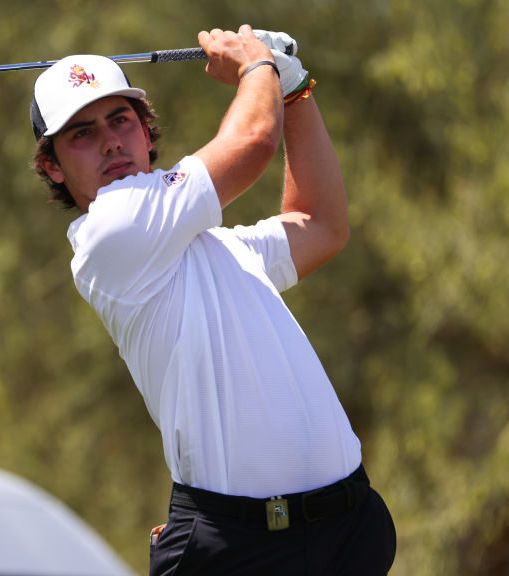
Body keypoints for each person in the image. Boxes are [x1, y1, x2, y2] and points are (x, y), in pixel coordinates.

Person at [29, 25, 396, 575]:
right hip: (239, 550)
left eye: (120, 120)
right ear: (52, 166)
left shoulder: (212, 246)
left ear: (146, 131)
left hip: (347, 531)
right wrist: (256, 66)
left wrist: (296, 91)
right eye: (81, 133)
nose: (109, 141)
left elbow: (320, 225)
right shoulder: (111, 233)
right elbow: (252, 143)